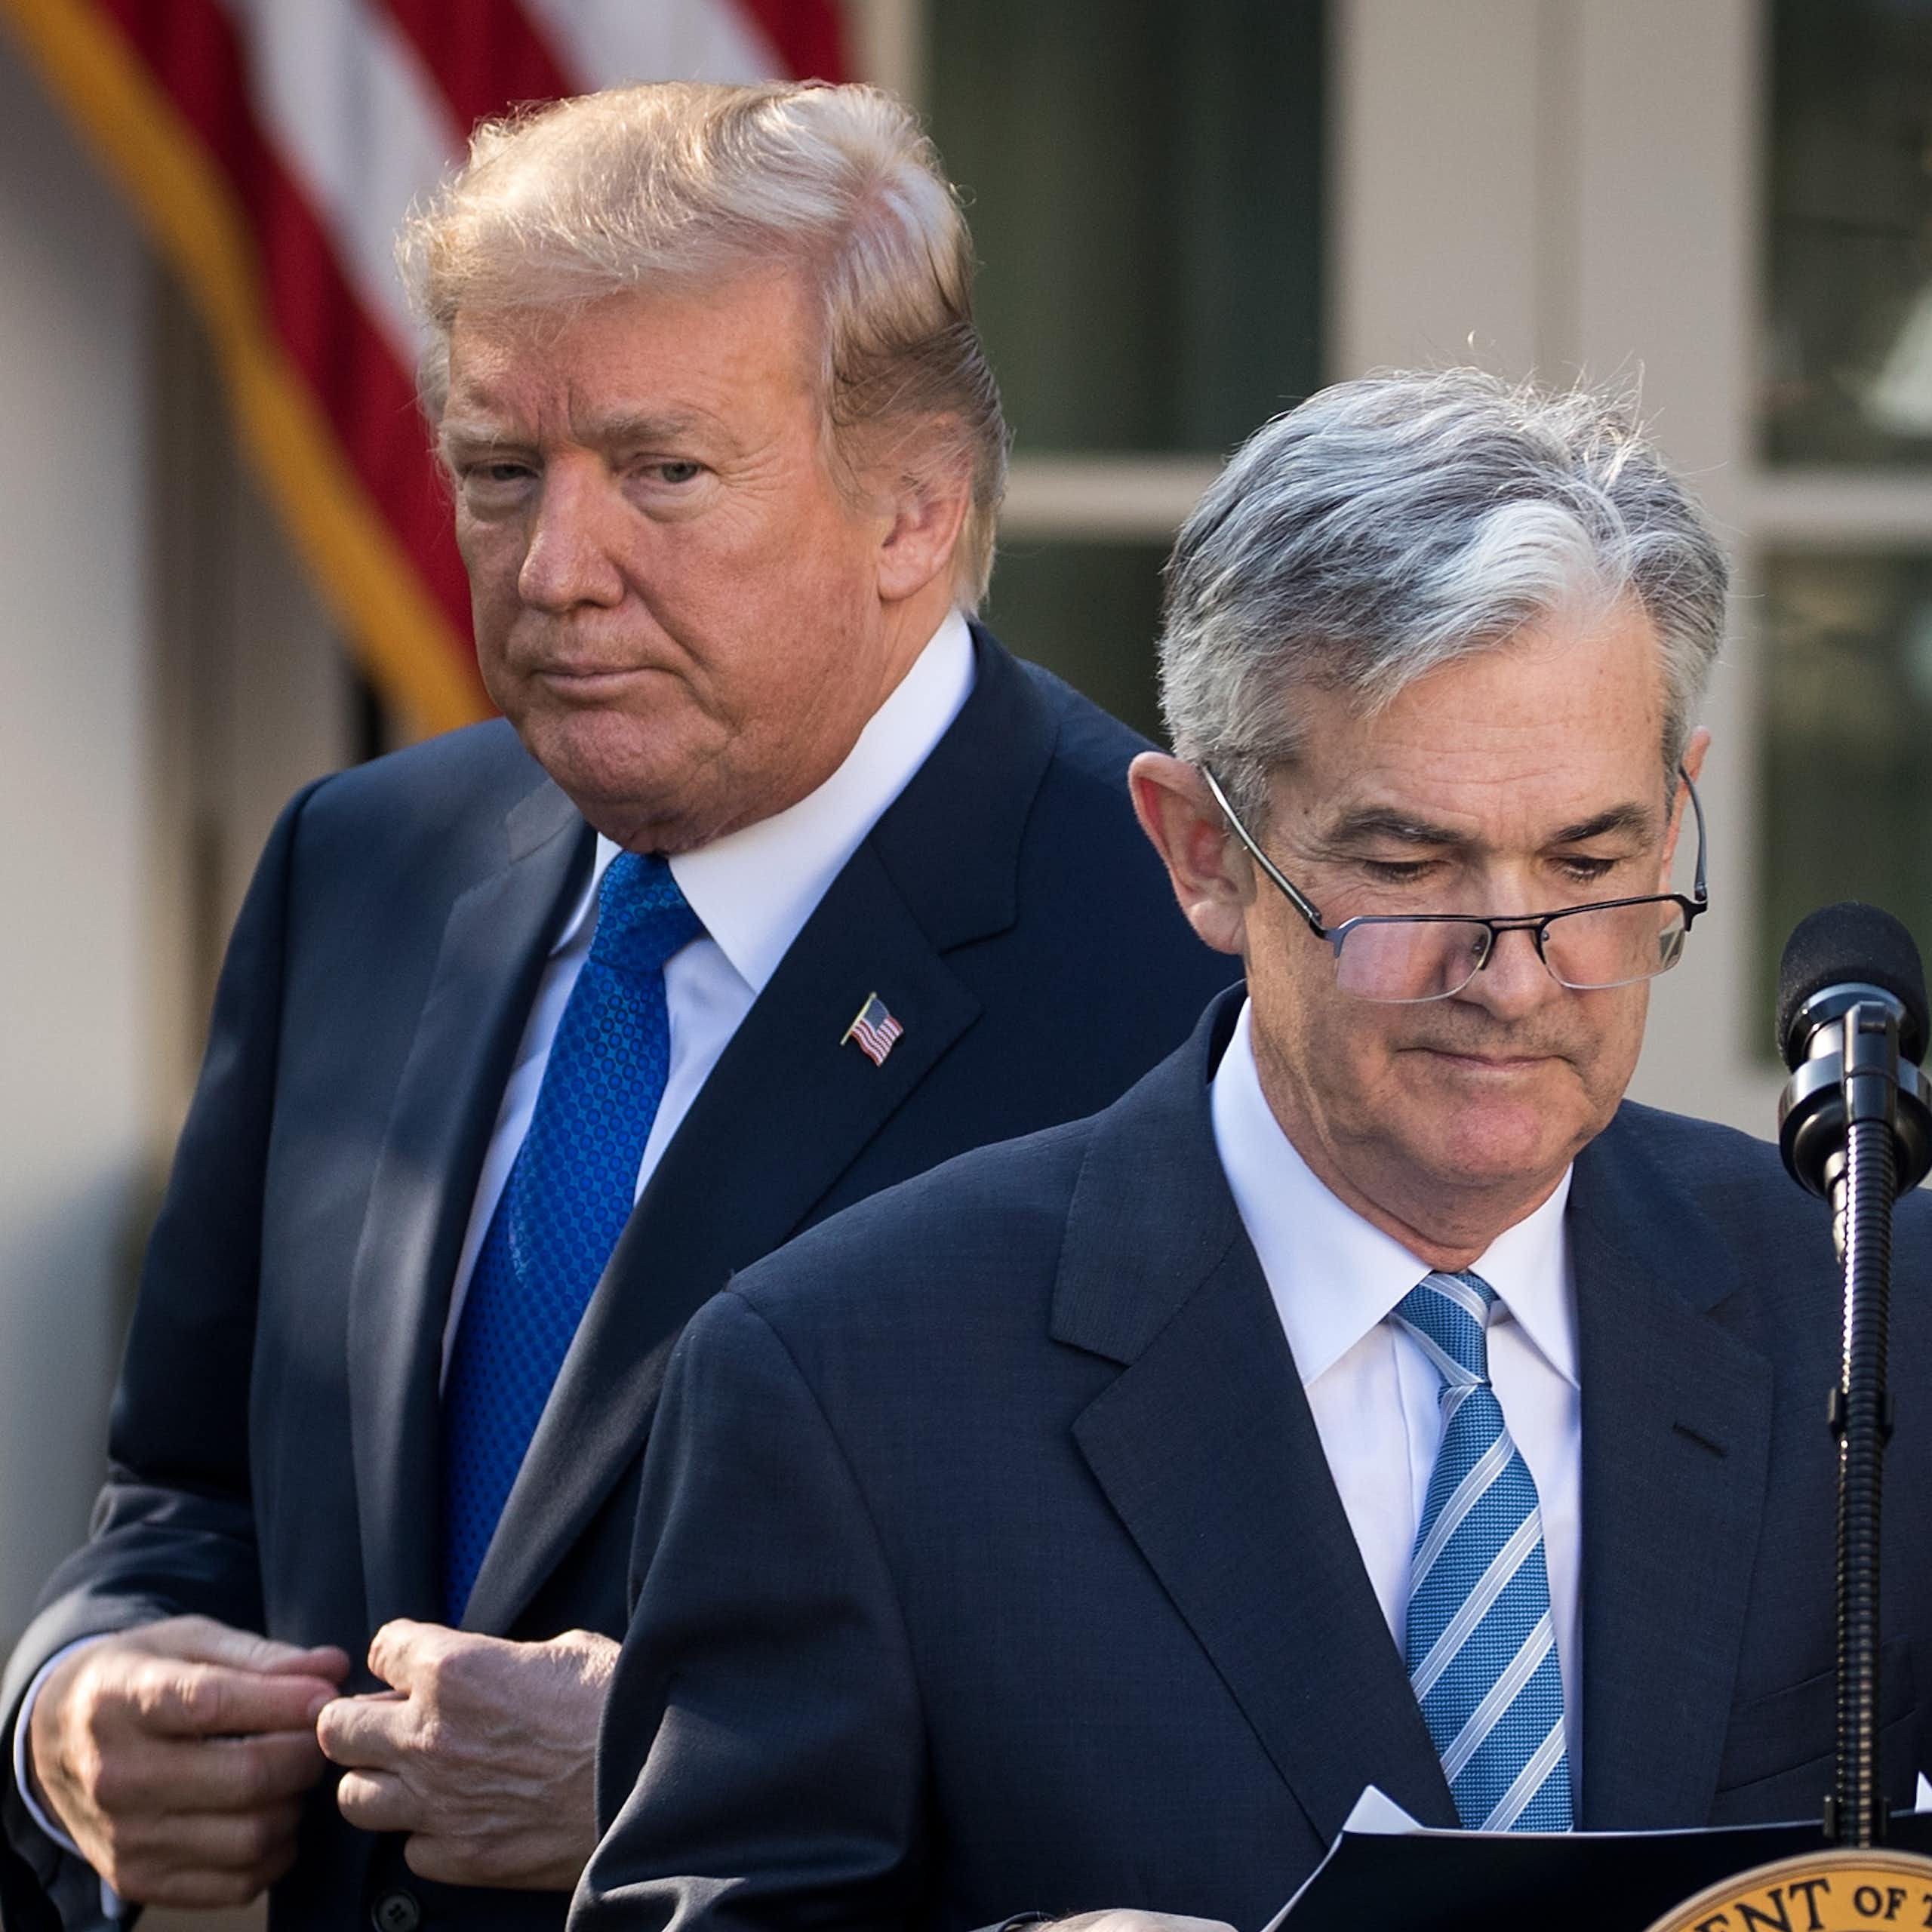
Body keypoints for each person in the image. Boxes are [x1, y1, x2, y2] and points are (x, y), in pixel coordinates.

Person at [0, 82, 1233, 1932]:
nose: (554, 569)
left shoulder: (1175, 955)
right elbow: (184, 1484)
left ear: (913, 511)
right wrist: (71, 1705)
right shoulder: (365, 861)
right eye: (503, 472)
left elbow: (1253, 1716)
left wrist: (704, 1764)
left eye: (661, 471)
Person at [574, 370, 1932, 1932]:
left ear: (1677, 807)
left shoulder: (1863, 1293)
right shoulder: (839, 1380)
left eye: (1588, 859)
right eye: (1405, 864)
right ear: (1199, 852)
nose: (1510, 972)